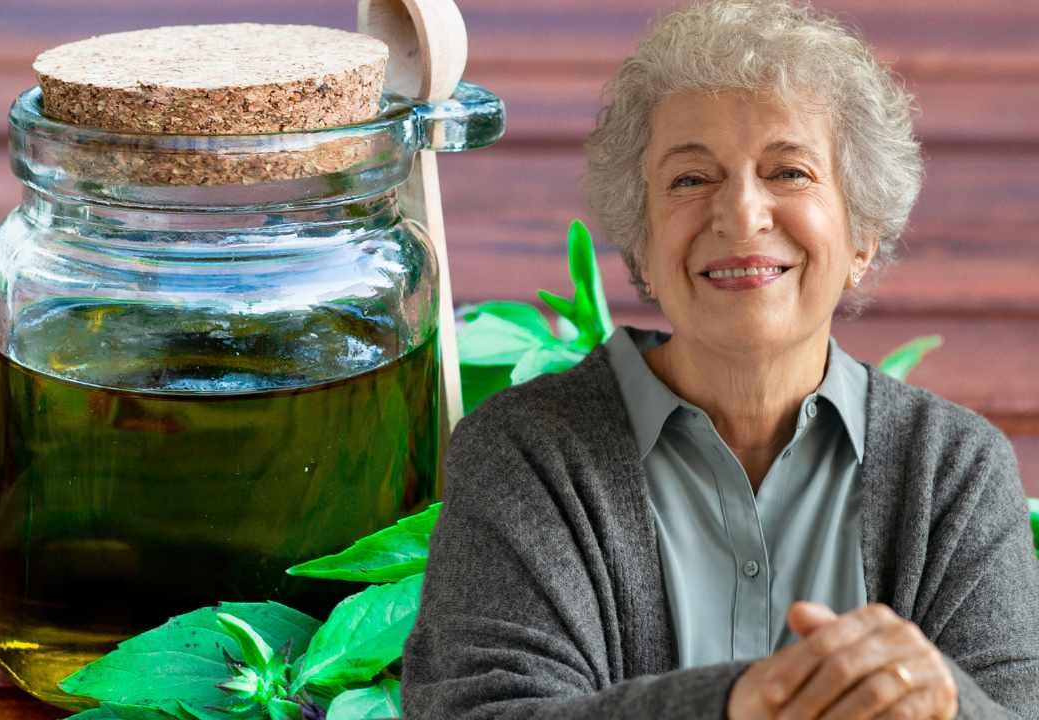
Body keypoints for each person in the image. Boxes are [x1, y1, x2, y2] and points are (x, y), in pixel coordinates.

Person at [399, 0, 1039, 717]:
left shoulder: (954, 469)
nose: (739, 215)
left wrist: (945, 705)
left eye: (789, 172)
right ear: (642, 240)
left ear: (861, 237)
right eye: (690, 179)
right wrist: (736, 703)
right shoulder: (525, 454)